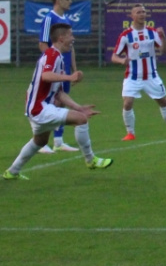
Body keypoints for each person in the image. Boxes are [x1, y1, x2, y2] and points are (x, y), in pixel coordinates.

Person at [3, 23, 112, 180]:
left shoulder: (58, 58)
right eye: (70, 35)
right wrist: (70, 77)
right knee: (80, 120)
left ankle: (12, 172)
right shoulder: (52, 54)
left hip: (39, 107)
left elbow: (59, 93)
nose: (73, 38)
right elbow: (46, 75)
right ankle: (91, 160)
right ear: (61, 38)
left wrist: (78, 107)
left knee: (40, 140)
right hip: (39, 108)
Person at [111, 3, 166, 140]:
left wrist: (163, 37)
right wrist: (122, 61)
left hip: (151, 76)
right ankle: (130, 133)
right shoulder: (125, 35)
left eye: (143, 12)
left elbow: (163, 51)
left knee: (163, 101)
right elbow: (114, 56)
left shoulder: (152, 32)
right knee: (127, 102)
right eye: (138, 12)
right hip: (132, 76)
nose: (142, 14)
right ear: (132, 16)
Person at [36, 0, 80, 153]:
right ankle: (40, 141)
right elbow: (42, 43)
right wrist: (53, 63)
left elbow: (71, 46)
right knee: (48, 102)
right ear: (58, 0)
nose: (70, 2)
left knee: (61, 101)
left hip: (65, 69)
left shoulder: (66, 19)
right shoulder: (49, 18)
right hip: (55, 69)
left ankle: (58, 141)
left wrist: (73, 69)